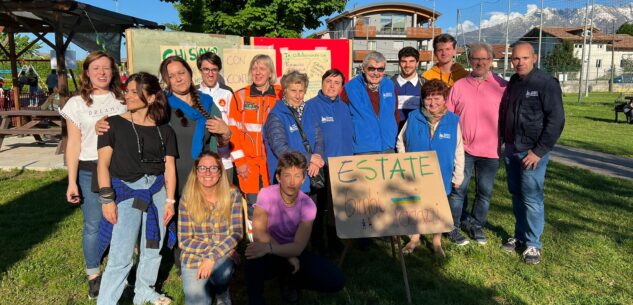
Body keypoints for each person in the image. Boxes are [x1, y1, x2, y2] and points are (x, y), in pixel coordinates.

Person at [96, 72, 177, 305]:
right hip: (127, 191)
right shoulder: (111, 124)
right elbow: (103, 164)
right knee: (121, 254)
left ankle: (144, 290)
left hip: (157, 191)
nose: (127, 95)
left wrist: (170, 201)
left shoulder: (165, 130)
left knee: (153, 246)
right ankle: (107, 301)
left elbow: (168, 167)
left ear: (151, 98)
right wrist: (107, 199)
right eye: (127, 91)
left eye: (134, 91)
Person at [58, 50, 127, 300]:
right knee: (93, 224)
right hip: (89, 170)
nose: (101, 73)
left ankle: (119, 268)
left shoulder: (124, 100)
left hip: (120, 168)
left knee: (121, 221)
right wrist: (71, 181)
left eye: (106, 68)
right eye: (96, 68)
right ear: (87, 72)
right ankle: (93, 274)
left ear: (113, 71)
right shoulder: (76, 104)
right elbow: (73, 144)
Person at [245, 152, 344, 305]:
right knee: (252, 256)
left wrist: (287, 253)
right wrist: (287, 255)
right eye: (287, 175)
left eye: (297, 176)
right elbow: (259, 233)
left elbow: (298, 247)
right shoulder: (266, 194)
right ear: (278, 177)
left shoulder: (308, 205)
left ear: (303, 179)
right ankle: (257, 300)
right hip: (270, 250)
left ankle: (292, 280)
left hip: (290, 251)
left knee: (336, 279)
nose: (292, 182)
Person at [499, 41, 565, 265]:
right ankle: (520, 236)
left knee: (532, 199)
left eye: (524, 58)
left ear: (534, 58)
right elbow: (505, 113)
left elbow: (556, 121)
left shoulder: (546, 83)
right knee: (517, 195)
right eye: (515, 58)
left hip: (532, 152)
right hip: (512, 149)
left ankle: (533, 245)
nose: (519, 62)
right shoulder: (514, 82)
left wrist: (538, 151)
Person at [446, 43, 508, 246]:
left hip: (491, 151)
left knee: (485, 191)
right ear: (470, 61)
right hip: (464, 150)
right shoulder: (459, 86)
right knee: (458, 189)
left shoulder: (502, 86)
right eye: (475, 59)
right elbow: (449, 116)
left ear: (491, 61)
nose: (480, 63)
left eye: (484, 59)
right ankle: (453, 226)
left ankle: (476, 224)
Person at [396, 79, 464, 257]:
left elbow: (459, 149)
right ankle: (415, 238)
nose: (432, 103)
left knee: (438, 207)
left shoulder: (452, 120)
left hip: (442, 172)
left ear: (444, 99)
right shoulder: (414, 117)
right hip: (416, 174)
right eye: (428, 99)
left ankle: (436, 241)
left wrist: (458, 176)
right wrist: (404, 164)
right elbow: (400, 142)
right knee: (416, 205)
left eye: (437, 98)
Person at [178, 151, 243, 305]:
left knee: (223, 273)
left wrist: (213, 256)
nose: (207, 172)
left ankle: (222, 290)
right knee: (196, 301)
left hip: (220, 255)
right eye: (202, 168)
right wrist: (214, 253)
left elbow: (237, 232)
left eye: (213, 168)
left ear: (220, 172)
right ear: (196, 172)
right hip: (194, 255)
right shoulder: (187, 197)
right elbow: (184, 240)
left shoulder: (233, 194)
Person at [302, 69, 353, 250]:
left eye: (337, 83)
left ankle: (333, 238)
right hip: (321, 165)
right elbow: (308, 138)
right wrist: (313, 160)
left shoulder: (344, 107)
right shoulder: (311, 106)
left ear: (341, 86)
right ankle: (316, 241)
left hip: (343, 165)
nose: (332, 86)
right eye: (329, 82)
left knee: (336, 206)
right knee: (318, 206)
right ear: (322, 83)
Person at [228, 54, 282, 215]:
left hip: (274, 162)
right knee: (254, 208)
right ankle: (256, 239)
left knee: (275, 207)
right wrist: (240, 162)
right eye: (254, 68)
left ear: (270, 73)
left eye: (262, 68)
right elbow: (233, 132)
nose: (258, 72)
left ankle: (275, 239)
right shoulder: (240, 96)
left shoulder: (281, 95)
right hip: (249, 164)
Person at [263, 70, 324, 195]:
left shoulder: (309, 111)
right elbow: (280, 148)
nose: (298, 95)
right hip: (288, 181)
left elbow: (319, 138)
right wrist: (310, 158)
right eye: (293, 91)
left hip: (310, 177)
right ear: (285, 91)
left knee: (309, 214)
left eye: (301, 91)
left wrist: (317, 158)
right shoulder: (276, 116)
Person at [341, 51, 399, 155]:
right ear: (363, 69)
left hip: (389, 147)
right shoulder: (350, 87)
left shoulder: (389, 85)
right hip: (363, 149)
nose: (376, 73)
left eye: (380, 69)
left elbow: (395, 113)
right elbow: (343, 120)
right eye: (371, 68)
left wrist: (394, 137)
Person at [196, 52, 237, 182]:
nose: (210, 73)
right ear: (200, 70)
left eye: (214, 70)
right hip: (202, 159)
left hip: (225, 159)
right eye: (206, 69)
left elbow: (235, 126)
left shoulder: (227, 92)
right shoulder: (193, 93)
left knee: (225, 199)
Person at [391, 46, 426, 122]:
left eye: (411, 61)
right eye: (404, 61)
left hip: (417, 131)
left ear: (417, 63)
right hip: (394, 132)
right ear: (399, 63)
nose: (407, 65)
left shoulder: (425, 85)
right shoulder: (390, 84)